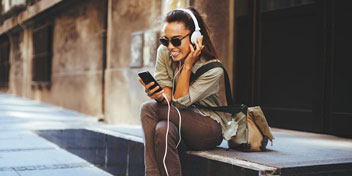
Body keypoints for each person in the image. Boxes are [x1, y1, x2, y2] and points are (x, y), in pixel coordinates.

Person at [138, 7, 229, 176]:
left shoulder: (212, 69)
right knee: (162, 130)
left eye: (177, 41)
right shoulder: (164, 53)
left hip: (208, 128)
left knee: (148, 109)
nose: (170, 47)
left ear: (195, 38)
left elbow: (179, 101)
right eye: (166, 41)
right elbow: (169, 98)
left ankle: (150, 173)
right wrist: (158, 95)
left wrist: (187, 65)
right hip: (178, 123)